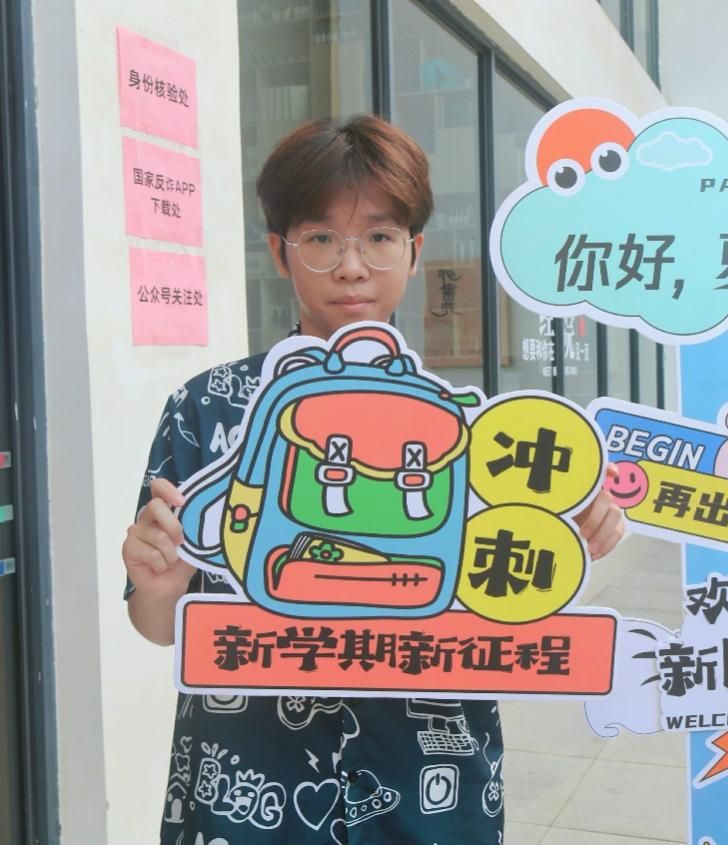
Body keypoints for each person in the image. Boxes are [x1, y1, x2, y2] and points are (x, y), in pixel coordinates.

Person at [122, 115, 626, 843]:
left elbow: (509, 596)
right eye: (321, 238)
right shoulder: (207, 406)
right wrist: (158, 584)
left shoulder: (481, 431)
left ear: (415, 252)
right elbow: (156, 624)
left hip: (430, 779)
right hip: (252, 785)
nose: (352, 266)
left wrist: (564, 538)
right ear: (280, 251)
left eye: (380, 237)